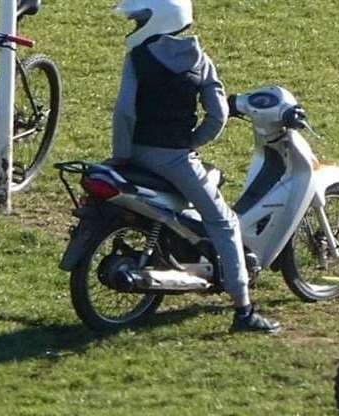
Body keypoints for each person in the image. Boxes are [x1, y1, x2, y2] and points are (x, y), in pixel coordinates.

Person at [110, 0, 280, 333]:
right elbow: (217, 117)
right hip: (176, 158)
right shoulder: (200, 61)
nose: (133, 27)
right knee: (225, 221)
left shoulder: (137, 59)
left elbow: (124, 113)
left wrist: (120, 154)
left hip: (137, 154)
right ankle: (243, 309)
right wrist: (192, 143)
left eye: (138, 20)